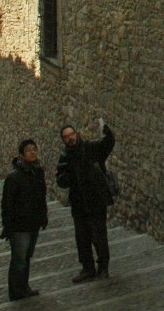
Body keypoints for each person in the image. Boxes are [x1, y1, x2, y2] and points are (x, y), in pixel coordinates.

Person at [56, 121, 115, 283]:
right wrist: (67, 176)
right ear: (63, 140)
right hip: (79, 203)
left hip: (96, 200)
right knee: (82, 238)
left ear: (76, 134)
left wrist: (108, 133)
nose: (69, 139)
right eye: (66, 137)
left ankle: (103, 267)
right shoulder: (64, 158)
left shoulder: (91, 147)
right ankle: (87, 269)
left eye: (71, 135)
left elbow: (107, 145)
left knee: (99, 236)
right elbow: (60, 180)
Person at [0, 138, 48, 302]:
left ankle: (24, 287)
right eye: (28, 150)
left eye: (34, 149)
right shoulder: (14, 177)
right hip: (19, 226)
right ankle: (15, 291)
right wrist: (8, 227)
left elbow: (41, 196)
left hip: (33, 223)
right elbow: (7, 204)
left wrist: (43, 216)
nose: (32, 152)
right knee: (19, 260)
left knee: (26, 257)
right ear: (21, 155)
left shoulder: (37, 172)